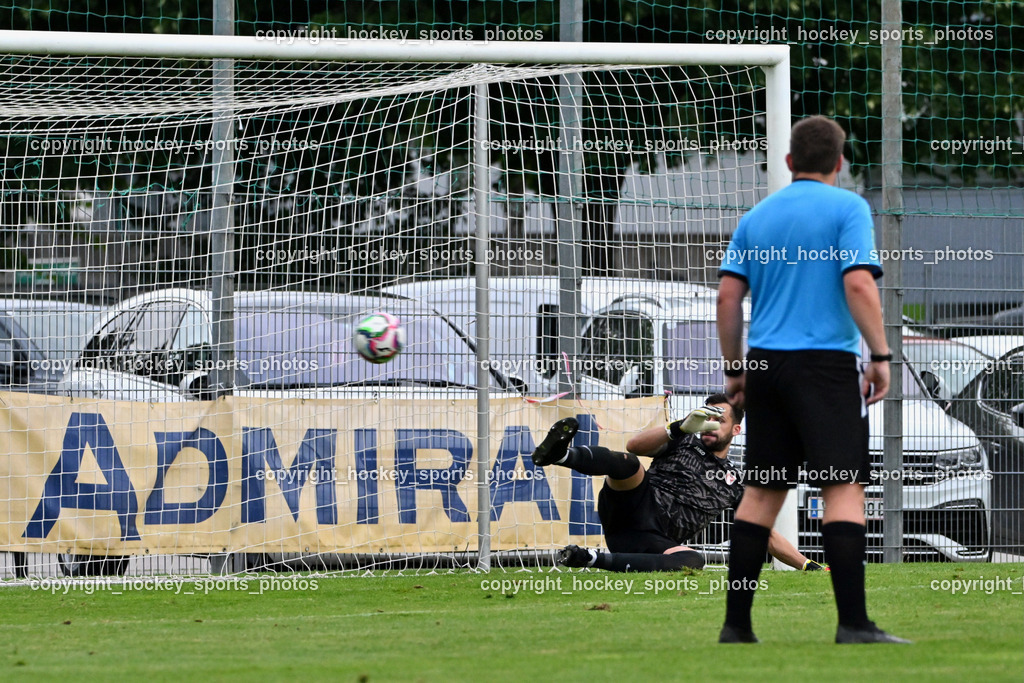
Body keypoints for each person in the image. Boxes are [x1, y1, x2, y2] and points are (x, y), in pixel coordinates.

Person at [716, 115, 909, 644]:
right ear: (840, 163)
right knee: (842, 488)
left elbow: (728, 298)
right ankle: (853, 624)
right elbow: (858, 286)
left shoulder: (758, 216)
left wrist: (737, 370)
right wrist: (881, 354)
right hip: (825, 365)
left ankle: (736, 628)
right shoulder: (849, 207)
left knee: (761, 492)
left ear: (789, 162)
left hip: (769, 367)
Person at [531, 395, 826, 573]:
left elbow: (765, 534)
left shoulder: (735, 483)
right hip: (632, 504)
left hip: (651, 541)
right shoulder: (681, 441)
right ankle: (562, 454)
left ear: (736, 429)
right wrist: (679, 427)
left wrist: (806, 564)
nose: (710, 425)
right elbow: (634, 445)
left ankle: (591, 559)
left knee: (692, 560)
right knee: (629, 464)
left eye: (718, 420)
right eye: (706, 417)